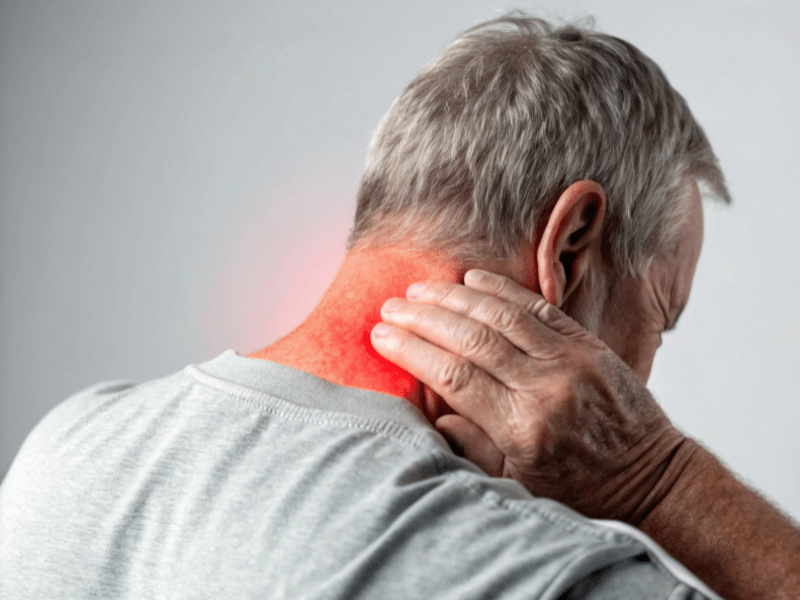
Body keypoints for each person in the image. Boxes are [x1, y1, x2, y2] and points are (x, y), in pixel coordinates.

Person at [1, 12, 797, 600]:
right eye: (660, 313)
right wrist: (661, 481)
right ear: (569, 248)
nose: (647, 385)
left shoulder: (71, 445)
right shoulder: (538, 573)